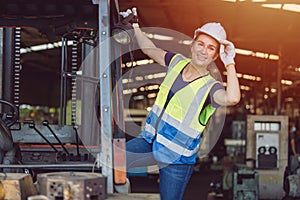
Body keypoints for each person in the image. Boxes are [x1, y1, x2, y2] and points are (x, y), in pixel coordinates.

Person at [121, 8, 241, 200]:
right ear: (192, 45)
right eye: (200, 44)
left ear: (215, 56)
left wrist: (230, 63)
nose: (203, 51)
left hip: (177, 159)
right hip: (150, 140)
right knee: (114, 161)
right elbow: (149, 49)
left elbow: (233, 98)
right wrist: (135, 25)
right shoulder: (176, 62)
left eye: (211, 48)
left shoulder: (211, 88)